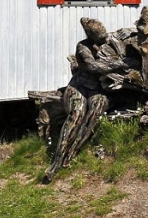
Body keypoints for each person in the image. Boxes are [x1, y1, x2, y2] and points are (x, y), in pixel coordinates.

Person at [44, 17, 111, 183]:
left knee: (96, 109)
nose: (104, 38)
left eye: (104, 35)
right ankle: (56, 161)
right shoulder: (83, 47)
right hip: (79, 87)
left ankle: (74, 150)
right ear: (91, 36)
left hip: (98, 89)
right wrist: (119, 64)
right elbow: (93, 67)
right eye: (100, 36)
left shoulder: (110, 44)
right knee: (77, 114)